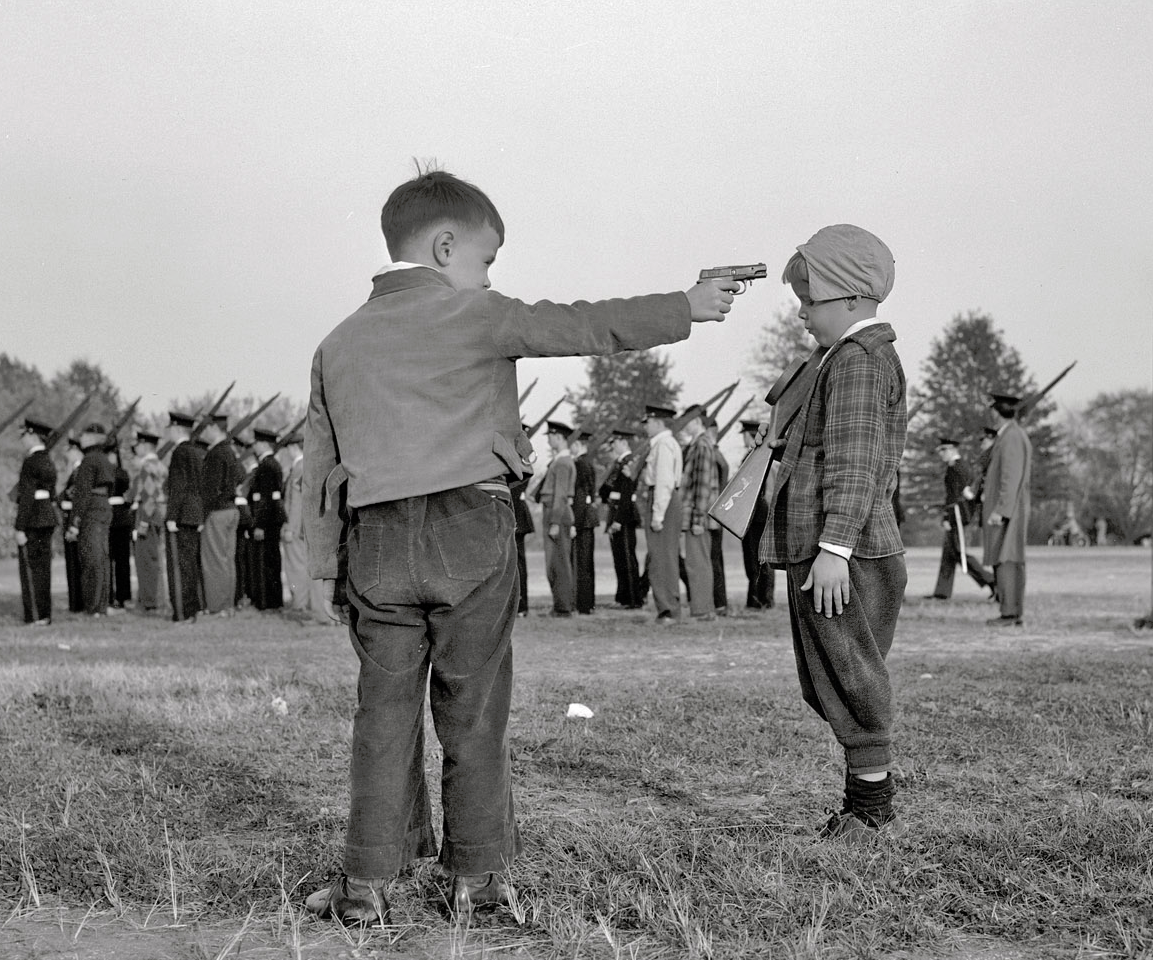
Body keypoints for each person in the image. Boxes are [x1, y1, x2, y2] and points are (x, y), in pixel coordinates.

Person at [301, 168, 736, 924]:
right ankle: (479, 880)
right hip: (468, 530)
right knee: (473, 712)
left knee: (382, 716)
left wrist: (321, 571)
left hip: (373, 541)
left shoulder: (336, 344)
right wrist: (686, 307)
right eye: (486, 260)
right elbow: (582, 325)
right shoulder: (479, 314)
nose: (490, 276)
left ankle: (365, 886)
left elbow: (318, 470)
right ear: (444, 247)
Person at [759, 224, 907, 841]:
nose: (800, 313)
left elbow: (854, 459)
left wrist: (833, 550)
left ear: (848, 297)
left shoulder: (856, 361)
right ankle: (863, 804)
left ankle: (870, 813)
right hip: (836, 548)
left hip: (844, 550)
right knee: (836, 676)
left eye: (808, 300)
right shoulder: (838, 360)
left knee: (852, 677)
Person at [982, 393, 1032, 626]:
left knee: (1007, 558)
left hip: (1008, 509)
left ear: (996, 412)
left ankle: (1010, 614)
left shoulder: (1011, 437)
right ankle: (1009, 611)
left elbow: (1010, 477)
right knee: (1005, 558)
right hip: (1010, 507)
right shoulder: (1011, 435)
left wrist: (1001, 509)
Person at [925, 438, 995, 600]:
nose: (941, 454)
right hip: (957, 514)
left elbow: (957, 497)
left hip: (958, 515)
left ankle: (991, 580)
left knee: (958, 552)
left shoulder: (959, 469)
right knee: (949, 553)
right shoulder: (954, 468)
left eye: (943, 451)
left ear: (952, 450)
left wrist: (948, 517)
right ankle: (942, 592)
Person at [68, 423, 117, 617]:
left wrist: (74, 523)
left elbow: (82, 494)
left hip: (91, 510)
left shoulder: (88, 460)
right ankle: (101, 604)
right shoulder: (104, 459)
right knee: (101, 557)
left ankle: (93, 606)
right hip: (103, 506)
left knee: (91, 558)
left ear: (92, 438)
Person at [641, 403, 683, 623]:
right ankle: (668, 607)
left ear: (657, 422)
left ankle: (668, 610)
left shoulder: (663, 445)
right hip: (665, 501)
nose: (645, 427)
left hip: (663, 502)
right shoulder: (663, 443)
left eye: (647, 422)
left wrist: (657, 515)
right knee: (663, 557)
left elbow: (664, 482)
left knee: (661, 559)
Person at [14, 418, 58, 625]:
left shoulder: (30, 462)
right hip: (47, 517)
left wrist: (20, 526)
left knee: (31, 570)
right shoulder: (48, 460)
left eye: (23, 436)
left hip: (33, 520)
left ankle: (34, 615)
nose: (22, 440)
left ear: (32, 435)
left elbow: (27, 497)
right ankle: (45, 613)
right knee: (44, 569)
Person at [679, 404, 719, 621]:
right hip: (698, 516)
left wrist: (697, 518)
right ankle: (703, 609)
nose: (684, 427)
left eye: (687, 422)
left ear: (696, 422)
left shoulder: (701, 445)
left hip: (698, 518)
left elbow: (702, 486)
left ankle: (703, 611)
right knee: (697, 563)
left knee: (698, 564)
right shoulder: (699, 444)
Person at [164, 411, 205, 623]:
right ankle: (194, 608)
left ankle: (182, 612)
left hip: (181, 516)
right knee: (191, 565)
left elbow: (177, 487)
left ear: (177, 429)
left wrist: (171, 515)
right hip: (195, 514)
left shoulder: (180, 453)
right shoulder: (198, 452)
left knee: (179, 568)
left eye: (169, 428)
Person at [281, 431, 326, 621]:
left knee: (296, 567)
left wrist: (291, 528)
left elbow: (296, 502)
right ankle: (313, 608)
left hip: (299, 527)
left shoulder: (299, 468)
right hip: (310, 526)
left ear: (293, 448)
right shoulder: (311, 464)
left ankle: (300, 605)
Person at [200, 414, 243, 616]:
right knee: (227, 560)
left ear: (213, 428)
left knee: (214, 560)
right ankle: (227, 605)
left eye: (206, 428)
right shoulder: (230, 451)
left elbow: (210, 488)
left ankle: (216, 607)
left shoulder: (216, 453)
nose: (204, 432)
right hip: (232, 509)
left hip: (217, 512)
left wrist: (202, 514)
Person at [598, 428, 644, 609]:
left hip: (624, 514)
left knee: (627, 557)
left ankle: (634, 599)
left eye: (615, 442)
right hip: (615, 511)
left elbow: (627, 494)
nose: (612, 446)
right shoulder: (619, 462)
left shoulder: (630, 461)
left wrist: (618, 520)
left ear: (623, 442)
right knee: (619, 559)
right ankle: (623, 597)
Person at [538, 420, 576, 617]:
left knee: (558, 562)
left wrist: (554, 521)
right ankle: (562, 605)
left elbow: (560, 495)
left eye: (551, 436)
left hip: (556, 513)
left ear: (559, 437)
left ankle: (563, 607)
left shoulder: (562, 463)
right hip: (557, 512)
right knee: (557, 562)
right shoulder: (562, 461)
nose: (550, 440)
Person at [129, 430, 168, 614]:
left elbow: (149, 497)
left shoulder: (147, 467)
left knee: (146, 560)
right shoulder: (159, 465)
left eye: (138, 444)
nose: (136, 448)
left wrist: (143, 523)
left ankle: (150, 601)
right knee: (153, 559)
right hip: (157, 515)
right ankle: (152, 598)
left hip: (148, 515)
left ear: (145, 445)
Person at [738, 419, 774, 609]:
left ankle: (759, 600)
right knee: (758, 558)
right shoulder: (760, 455)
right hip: (758, 510)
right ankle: (762, 598)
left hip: (755, 511)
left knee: (755, 559)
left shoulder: (753, 456)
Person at [250, 427, 287, 610]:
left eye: (256, 443)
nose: (254, 446)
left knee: (266, 562)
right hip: (274, 518)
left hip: (268, 520)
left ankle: (267, 602)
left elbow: (264, 499)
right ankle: (274, 601)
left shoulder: (266, 465)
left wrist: (259, 525)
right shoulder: (274, 464)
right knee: (272, 560)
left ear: (263, 443)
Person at [570, 428, 599, 614]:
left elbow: (580, 496)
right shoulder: (588, 462)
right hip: (588, 516)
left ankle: (584, 603)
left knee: (582, 562)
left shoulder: (580, 464)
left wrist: (574, 522)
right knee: (586, 562)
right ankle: (588, 603)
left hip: (582, 518)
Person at [705, 415, 730, 616]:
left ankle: (718, 602)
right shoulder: (715, 454)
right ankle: (718, 601)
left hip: (713, 512)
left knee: (713, 559)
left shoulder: (714, 454)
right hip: (716, 512)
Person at [107, 440, 134, 609]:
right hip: (120, 517)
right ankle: (120, 595)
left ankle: (118, 595)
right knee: (119, 561)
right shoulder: (121, 473)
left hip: (116, 517)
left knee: (119, 560)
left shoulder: (116, 473)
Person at [59, 438, 85, 613]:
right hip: (71, 517)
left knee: (76, 564)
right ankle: (75, 603)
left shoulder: (79, 471)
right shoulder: (74, 470)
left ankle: (78, 603)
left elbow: (73, 498)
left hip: (75, 520)